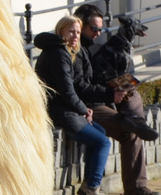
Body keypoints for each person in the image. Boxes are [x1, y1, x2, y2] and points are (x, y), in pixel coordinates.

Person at [71, 5, 159, 195]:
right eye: (93, 29)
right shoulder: (75, 52)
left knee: (131, 89)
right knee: (130, 132)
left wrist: (115, 87)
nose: (97, 33)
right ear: (80, 24)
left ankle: (137, 121)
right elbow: (79, 89)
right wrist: (110, 94)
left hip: (98, 100)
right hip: (87, 107)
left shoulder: (88, 49)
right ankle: (136, 188)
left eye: (100, 29)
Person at [33, 17, 111, 195]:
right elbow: (66, 90)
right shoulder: (59, 54)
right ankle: (93, 187)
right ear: (61, 31)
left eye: (77, 32)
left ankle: (87, 186)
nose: (75, 35)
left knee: (101, 133)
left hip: (65, 109)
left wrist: (83, 108)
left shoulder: (61, 50)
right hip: (60, 112)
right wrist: (83, 110)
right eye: (71, 31)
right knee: (103, 143)